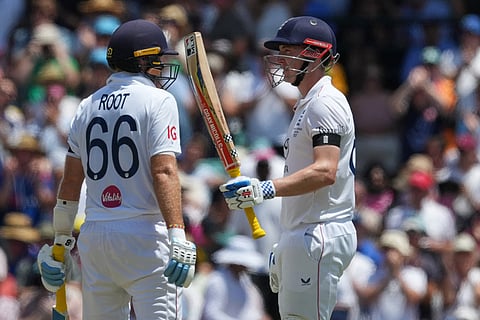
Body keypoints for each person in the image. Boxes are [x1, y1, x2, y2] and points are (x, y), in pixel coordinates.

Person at [35, 19, 196, 319]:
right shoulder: (159, 100)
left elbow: (70, 183)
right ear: (143, 60)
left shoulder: (86, 105)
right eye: (158, 60)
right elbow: (164, 171)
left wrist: (59, 242)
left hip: (96, 236)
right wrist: (178, 235)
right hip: (145, 236)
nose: (162, 67)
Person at [219, 16, 357, 320]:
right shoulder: (307, 103)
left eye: (287, 51)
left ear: (313, 54)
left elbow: (325, 171)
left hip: (318, 231)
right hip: (304, 230)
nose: (279, 59)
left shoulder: (324, 103)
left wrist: (263, 189)